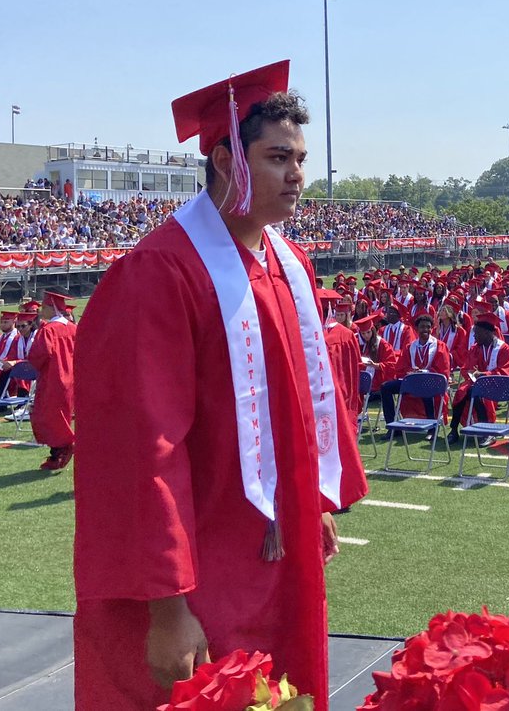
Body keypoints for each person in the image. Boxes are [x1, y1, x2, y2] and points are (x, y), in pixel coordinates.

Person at [72, 62, 366, 711]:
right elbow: (139, 450)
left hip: (274, 556)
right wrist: (167, 606)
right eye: (277, 157)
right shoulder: (159, 273)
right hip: (197, 572)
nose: (296, 175)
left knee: (280, 692)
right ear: (227, 161)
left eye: (301, 158)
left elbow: (296, 409)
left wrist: (309, 503)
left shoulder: (288, 265)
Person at [28, 289, 78, 470]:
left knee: (49, 417)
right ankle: (58, 451)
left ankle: (62, 448)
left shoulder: (48, 330)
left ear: (53, 307)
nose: (42, 309)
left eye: (44, 306)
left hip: (54, 379)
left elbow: (38, 355)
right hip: (73, 379)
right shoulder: (73, 328)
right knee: (63, 416)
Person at [449, 314, 509, 438]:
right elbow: (466, 368)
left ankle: (487, 432)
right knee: (461, 392)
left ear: (486, 333)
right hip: (477, 384)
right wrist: (471, 373)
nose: (474, 336)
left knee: (476, 392)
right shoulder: (475, 348)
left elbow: (505, 372)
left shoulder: (504, 349)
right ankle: (453, 429)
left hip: (498, 385)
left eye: (477, 333)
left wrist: (483, 374)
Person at [379, 313, 452, 426]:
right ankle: (392, 426)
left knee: (426, 390)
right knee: (385, 387)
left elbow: (443, 369)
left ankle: (432, 427)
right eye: (422, 327)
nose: (426, 329)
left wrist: (424, 372)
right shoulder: (410, 347)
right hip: (412, 381)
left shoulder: (439, 346)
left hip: (431, 382)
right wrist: (410, 371)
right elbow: (400, 368)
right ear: (416, 329)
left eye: (428, 327)